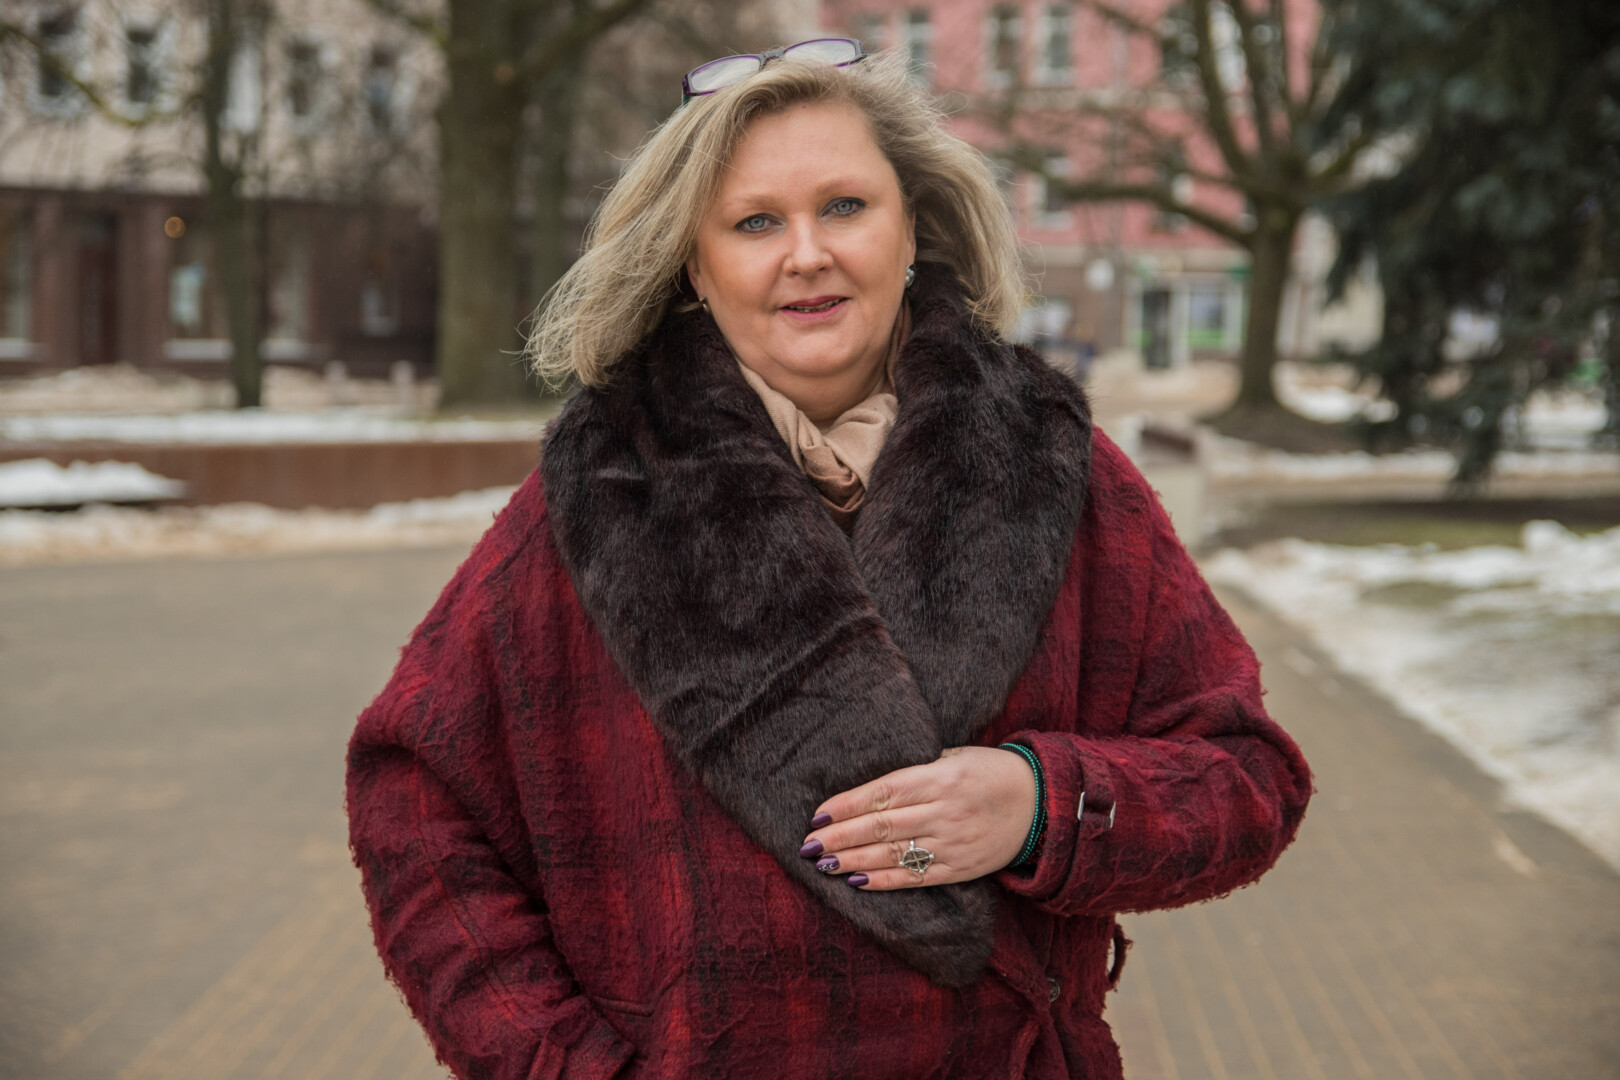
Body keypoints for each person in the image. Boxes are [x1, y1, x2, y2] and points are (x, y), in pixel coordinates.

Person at [346, 43, 1312, 1080]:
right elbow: (415, 801)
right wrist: (563, 1064)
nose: (806, 254)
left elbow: (1247, 775)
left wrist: (1044, 806)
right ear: (695, 264)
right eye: (755, 222)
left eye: (845, 207)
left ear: (912, 228)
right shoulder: (603, 489)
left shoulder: (1049, 464)